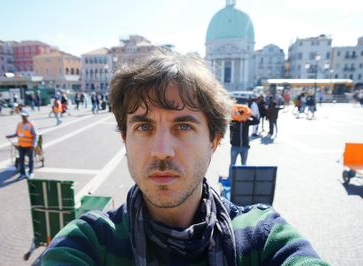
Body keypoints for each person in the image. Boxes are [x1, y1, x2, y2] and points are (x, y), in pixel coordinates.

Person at [42, 51, 329, 266]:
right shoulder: (89, 241)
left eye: (183, 126)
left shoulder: (262, 237)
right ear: (124, 140)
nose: (162, 150)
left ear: (215, 140)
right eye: (144, 127)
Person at [6, 110, 38, 180]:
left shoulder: (31, 124)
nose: (23, 117)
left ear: (27, 116)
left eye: (24, 116)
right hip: (21, 145)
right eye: (22, 116)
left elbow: (35, 135)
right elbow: (17, 133)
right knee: (21, 160)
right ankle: (22, 174)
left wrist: (33, 145)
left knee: (30, 160)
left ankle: (30, 172)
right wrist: (10, 136)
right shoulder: (19, 124)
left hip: (29, 146)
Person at [229, 104, 259, 177]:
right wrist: (236, 117)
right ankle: (230, 178)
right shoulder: (233, 122)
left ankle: (243, 179)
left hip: (245, 147)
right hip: (235, 146)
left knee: (244, 164)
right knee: (232, 164)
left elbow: (257, 121)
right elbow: (230, 126)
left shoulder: (247, 122)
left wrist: (250, 114)